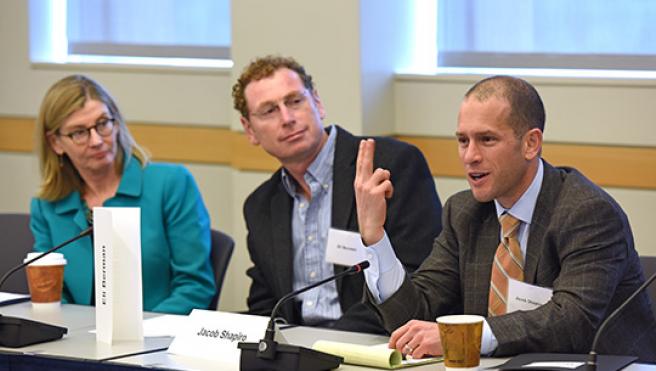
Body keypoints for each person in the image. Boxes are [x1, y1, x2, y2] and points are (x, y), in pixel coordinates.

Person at [355, 75, 656, 361]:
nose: (470, 156)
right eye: (462, 140)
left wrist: (465, 336)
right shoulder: (464, 213)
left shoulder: (586, 212)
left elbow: (572, 320)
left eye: (486, 140)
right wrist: (375, 237)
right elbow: (415, 316)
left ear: (530, 144)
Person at [232, 55, 442, 334]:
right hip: (298, 353)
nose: (287, 118)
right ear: (250, 130)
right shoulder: (261, 205)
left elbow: (419, 280)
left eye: (295, 101)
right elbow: (265, 304)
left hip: (377, 343)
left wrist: (322, 342)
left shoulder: (392, 166)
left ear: (317, 102)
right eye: (269, 110)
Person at [30, 75, 216, 314]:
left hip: (157, 339)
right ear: (55, 142)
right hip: (77, 344)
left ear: (116, 123)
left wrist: (142, 334)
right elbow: (53, 295)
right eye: (79, 133)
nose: (97, 140)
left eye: (102, 124)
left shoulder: (171, 184)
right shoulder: (46, 206)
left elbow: (195, 286)